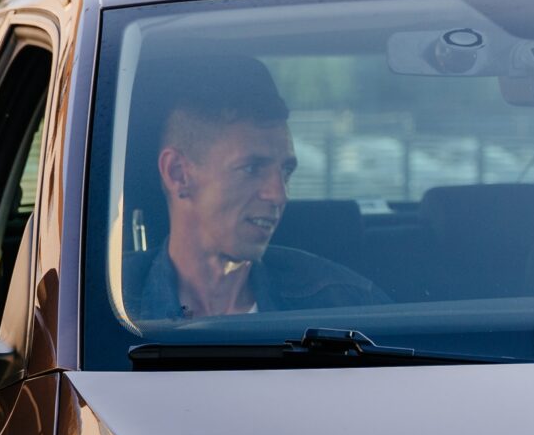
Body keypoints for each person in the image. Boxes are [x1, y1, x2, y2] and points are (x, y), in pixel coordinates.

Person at [123, 55, 387, 319]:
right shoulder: (102, 310)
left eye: (286, 171)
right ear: (178, 174)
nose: (279, 194)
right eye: (251, 168)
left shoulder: (343, 307)